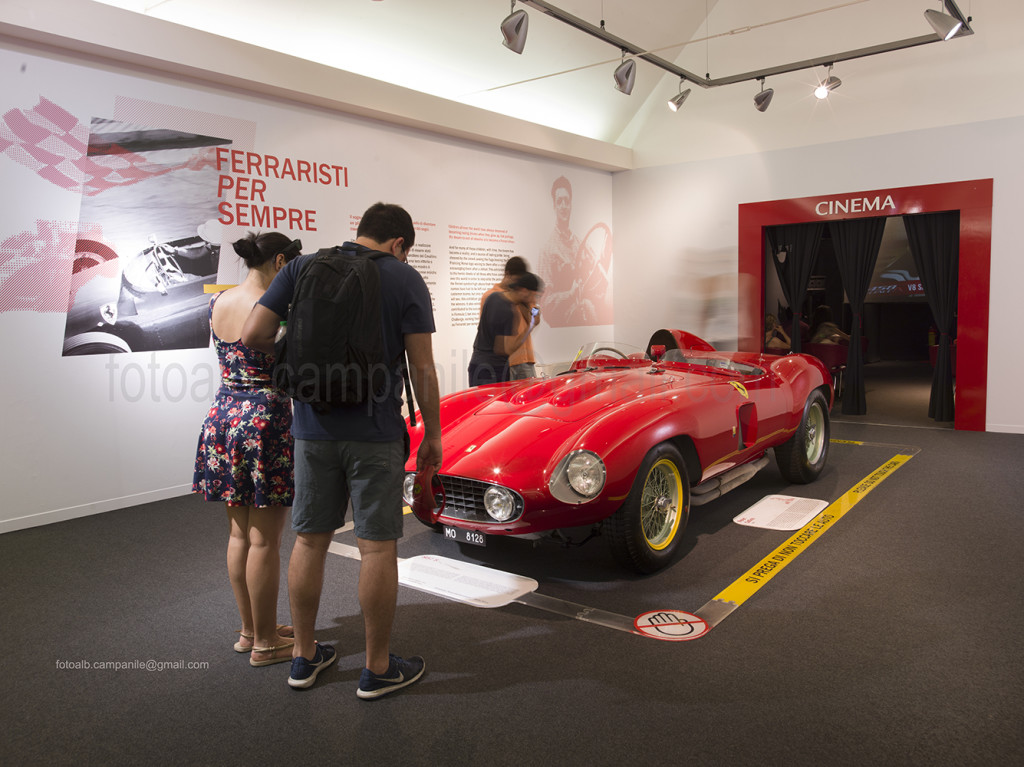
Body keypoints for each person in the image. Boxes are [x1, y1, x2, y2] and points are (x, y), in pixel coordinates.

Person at [241, 202, 442, 697]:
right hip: (374, 431)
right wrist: (433, 435)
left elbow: (253, 334)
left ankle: (303, 658)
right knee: (377, 546)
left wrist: (298, 357)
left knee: (309, 541)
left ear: (361, 232)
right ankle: (376, 668)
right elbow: (422, 369)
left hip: (312, 428)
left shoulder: (304, 266)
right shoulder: (404, 278)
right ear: (399, 244)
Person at [192, 231, 301, 668]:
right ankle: (267, 644)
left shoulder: (219, 302)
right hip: (265, 424)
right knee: (265, 542)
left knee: (239, 535)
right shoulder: (275, 311)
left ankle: (251, 630)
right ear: (279, 262)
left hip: (223, 418)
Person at [538, 176, 610, 327]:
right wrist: (570, 294)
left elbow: (596, 278)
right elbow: (545, 303)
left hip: (587, 323)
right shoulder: (547, 250)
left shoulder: (581, 245)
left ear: (571, 204)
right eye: (559, 201)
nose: (563, 206)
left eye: (567, 201)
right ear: (554, 206)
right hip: (562, 331)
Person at [469, 271, 541, 387]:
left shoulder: (494, 297)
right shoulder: (507, 310)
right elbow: (504, 349)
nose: (535, 300)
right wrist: (529, 327)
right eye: (534, 295)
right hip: (492, 371)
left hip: (481, 365)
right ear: (524, 291)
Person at [480, 257, 540, 380]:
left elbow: (535, 318)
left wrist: (521, 301)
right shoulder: (490, 296)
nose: (520, 285)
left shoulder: (524, 293)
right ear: (507, 275)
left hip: (526, 359)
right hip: (504, 362)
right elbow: (489, 331)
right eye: (518, 280)